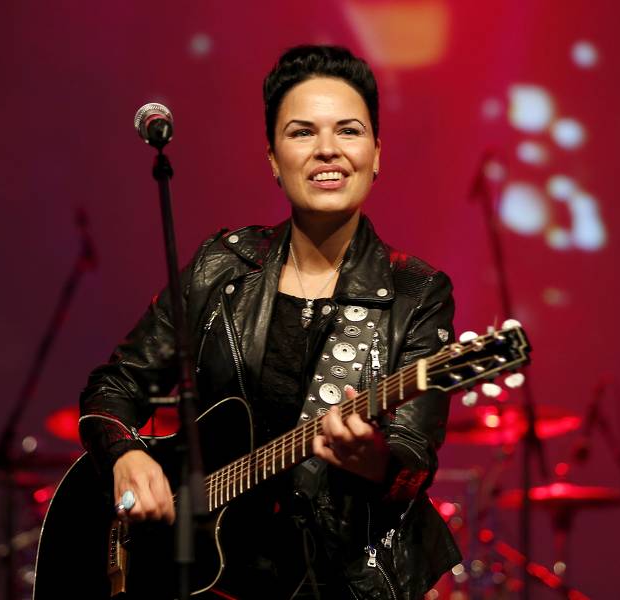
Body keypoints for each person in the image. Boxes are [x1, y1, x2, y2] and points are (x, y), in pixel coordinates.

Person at [78, 45, 460, 599]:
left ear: (376, 154)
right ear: (273, 160)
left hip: (346, 582)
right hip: (211, 583)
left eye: (349, 131)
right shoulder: (220, 267)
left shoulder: (417, 292)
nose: (327, 149)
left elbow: (414, 459)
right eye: (302, 132)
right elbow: (114, 386)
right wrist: (126, 454)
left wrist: (374, 460)